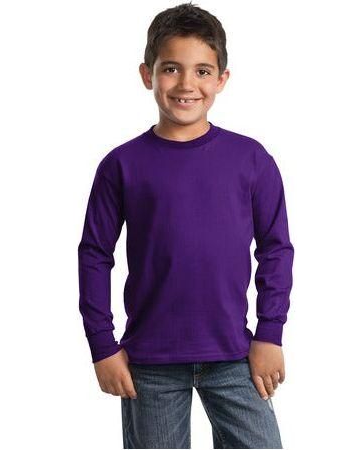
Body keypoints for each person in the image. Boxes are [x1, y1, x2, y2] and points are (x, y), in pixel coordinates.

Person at [78, 2, 294, 448]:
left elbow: (275, 249)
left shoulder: (251, 160)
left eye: (202, 71)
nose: (186, 84)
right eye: (171, 68)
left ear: (222, 79)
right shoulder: (121, 165)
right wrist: (102, 345)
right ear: (148, 74)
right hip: (149, 360)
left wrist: (270, 333)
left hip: (235, 354)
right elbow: (94, 255)